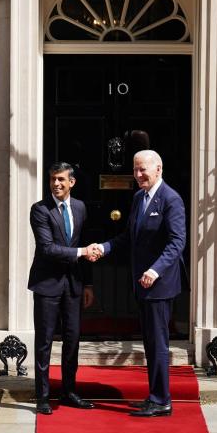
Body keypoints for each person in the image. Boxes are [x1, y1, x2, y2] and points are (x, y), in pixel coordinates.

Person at [90, 150, 186, 417]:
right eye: (135, 170)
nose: (138, 174)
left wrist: (155, 271)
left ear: (159, 169)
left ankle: (162, 400)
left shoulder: (171, 199)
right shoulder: (139, 198)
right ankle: (155, 396)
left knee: (157, 343)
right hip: (142, 284)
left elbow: (177, 242)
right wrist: (105, 247)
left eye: (143, 169)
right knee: (150, 342)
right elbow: (127, 237)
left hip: (159, 284)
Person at [28, 162, 99, 415]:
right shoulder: (40, 210)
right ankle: (43, 396)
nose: (56, 184)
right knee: (44, 342)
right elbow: (47, 248)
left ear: (72, 182)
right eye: (52, 180)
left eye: (60, 180)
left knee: (72, 340)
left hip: (74, 285)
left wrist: (88, 283)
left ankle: (69, 392)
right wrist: (81, 252)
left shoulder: (79, 207)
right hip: (47, 284)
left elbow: (83, 243)